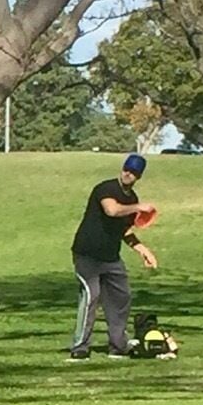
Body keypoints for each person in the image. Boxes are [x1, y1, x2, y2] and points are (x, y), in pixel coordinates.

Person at [68, 152, 160, 360]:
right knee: (91, 296)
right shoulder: (106, 188)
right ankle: (80, 346)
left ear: (139, 176)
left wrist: (143, 250)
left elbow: (124, 230)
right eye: (127, 169)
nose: (129, 174)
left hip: (110, 257)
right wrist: (138, 207)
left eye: (134, 172)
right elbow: (112, 210)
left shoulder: (132, 198)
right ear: (122, 168)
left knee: (121, 297)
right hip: (87, 254)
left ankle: (118, 345)